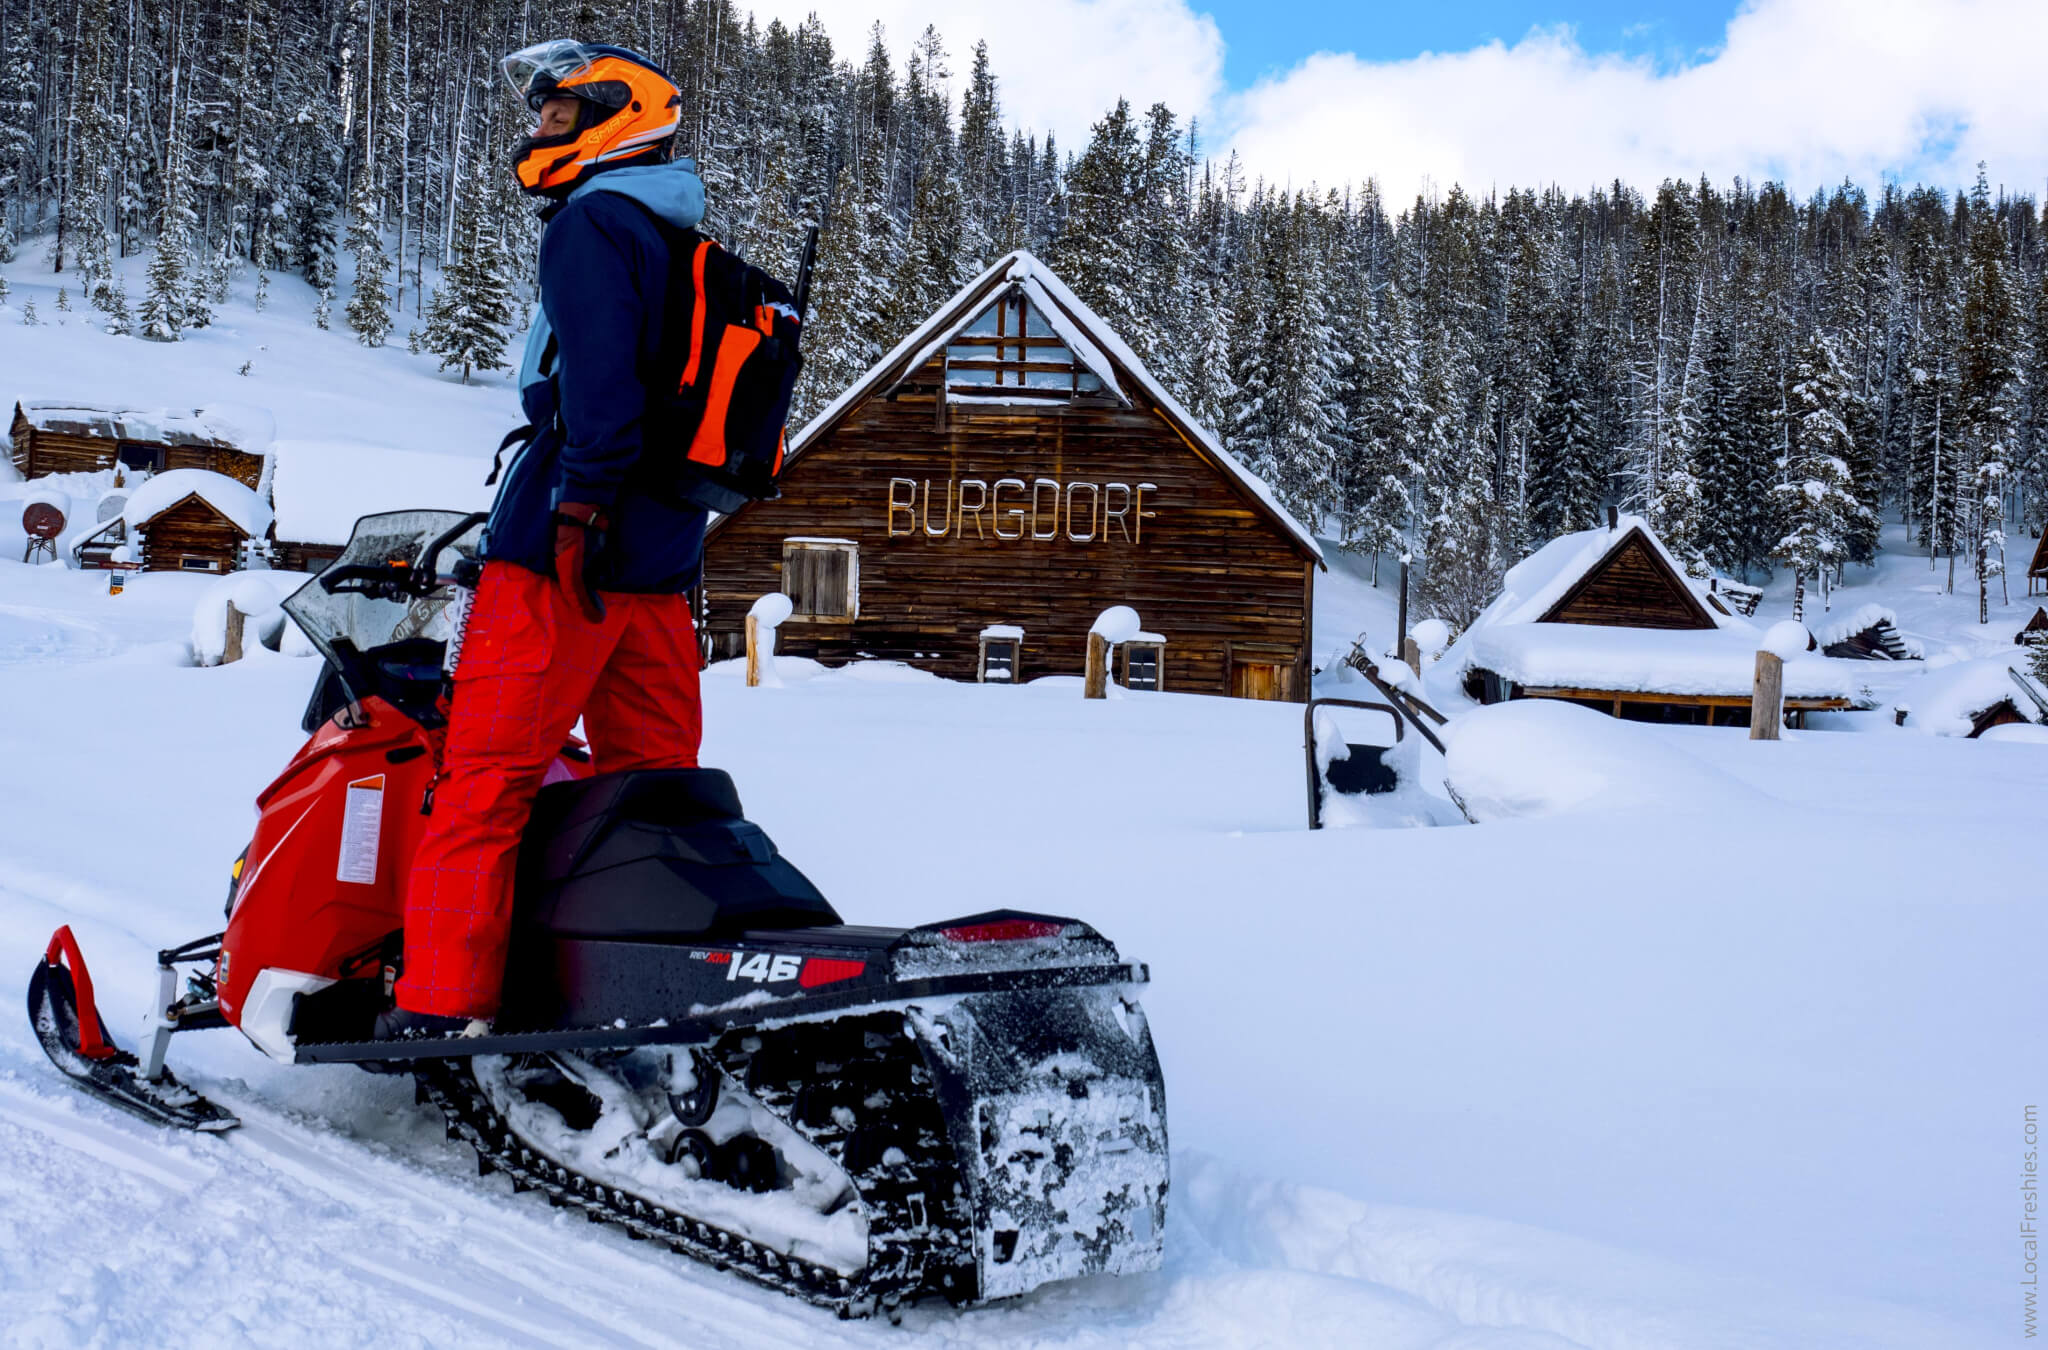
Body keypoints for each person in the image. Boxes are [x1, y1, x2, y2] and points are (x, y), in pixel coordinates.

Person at [380, 41, 710, 1037]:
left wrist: (575, 509)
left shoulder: (591, 226)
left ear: (615, 115)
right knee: (650, 792)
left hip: (565, 554)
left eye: (556, 117)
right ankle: (643, 996)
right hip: (660, 562)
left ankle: (441, 1005)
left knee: (481, 778)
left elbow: (598, 389)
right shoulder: (684, 243)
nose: (536, 135)